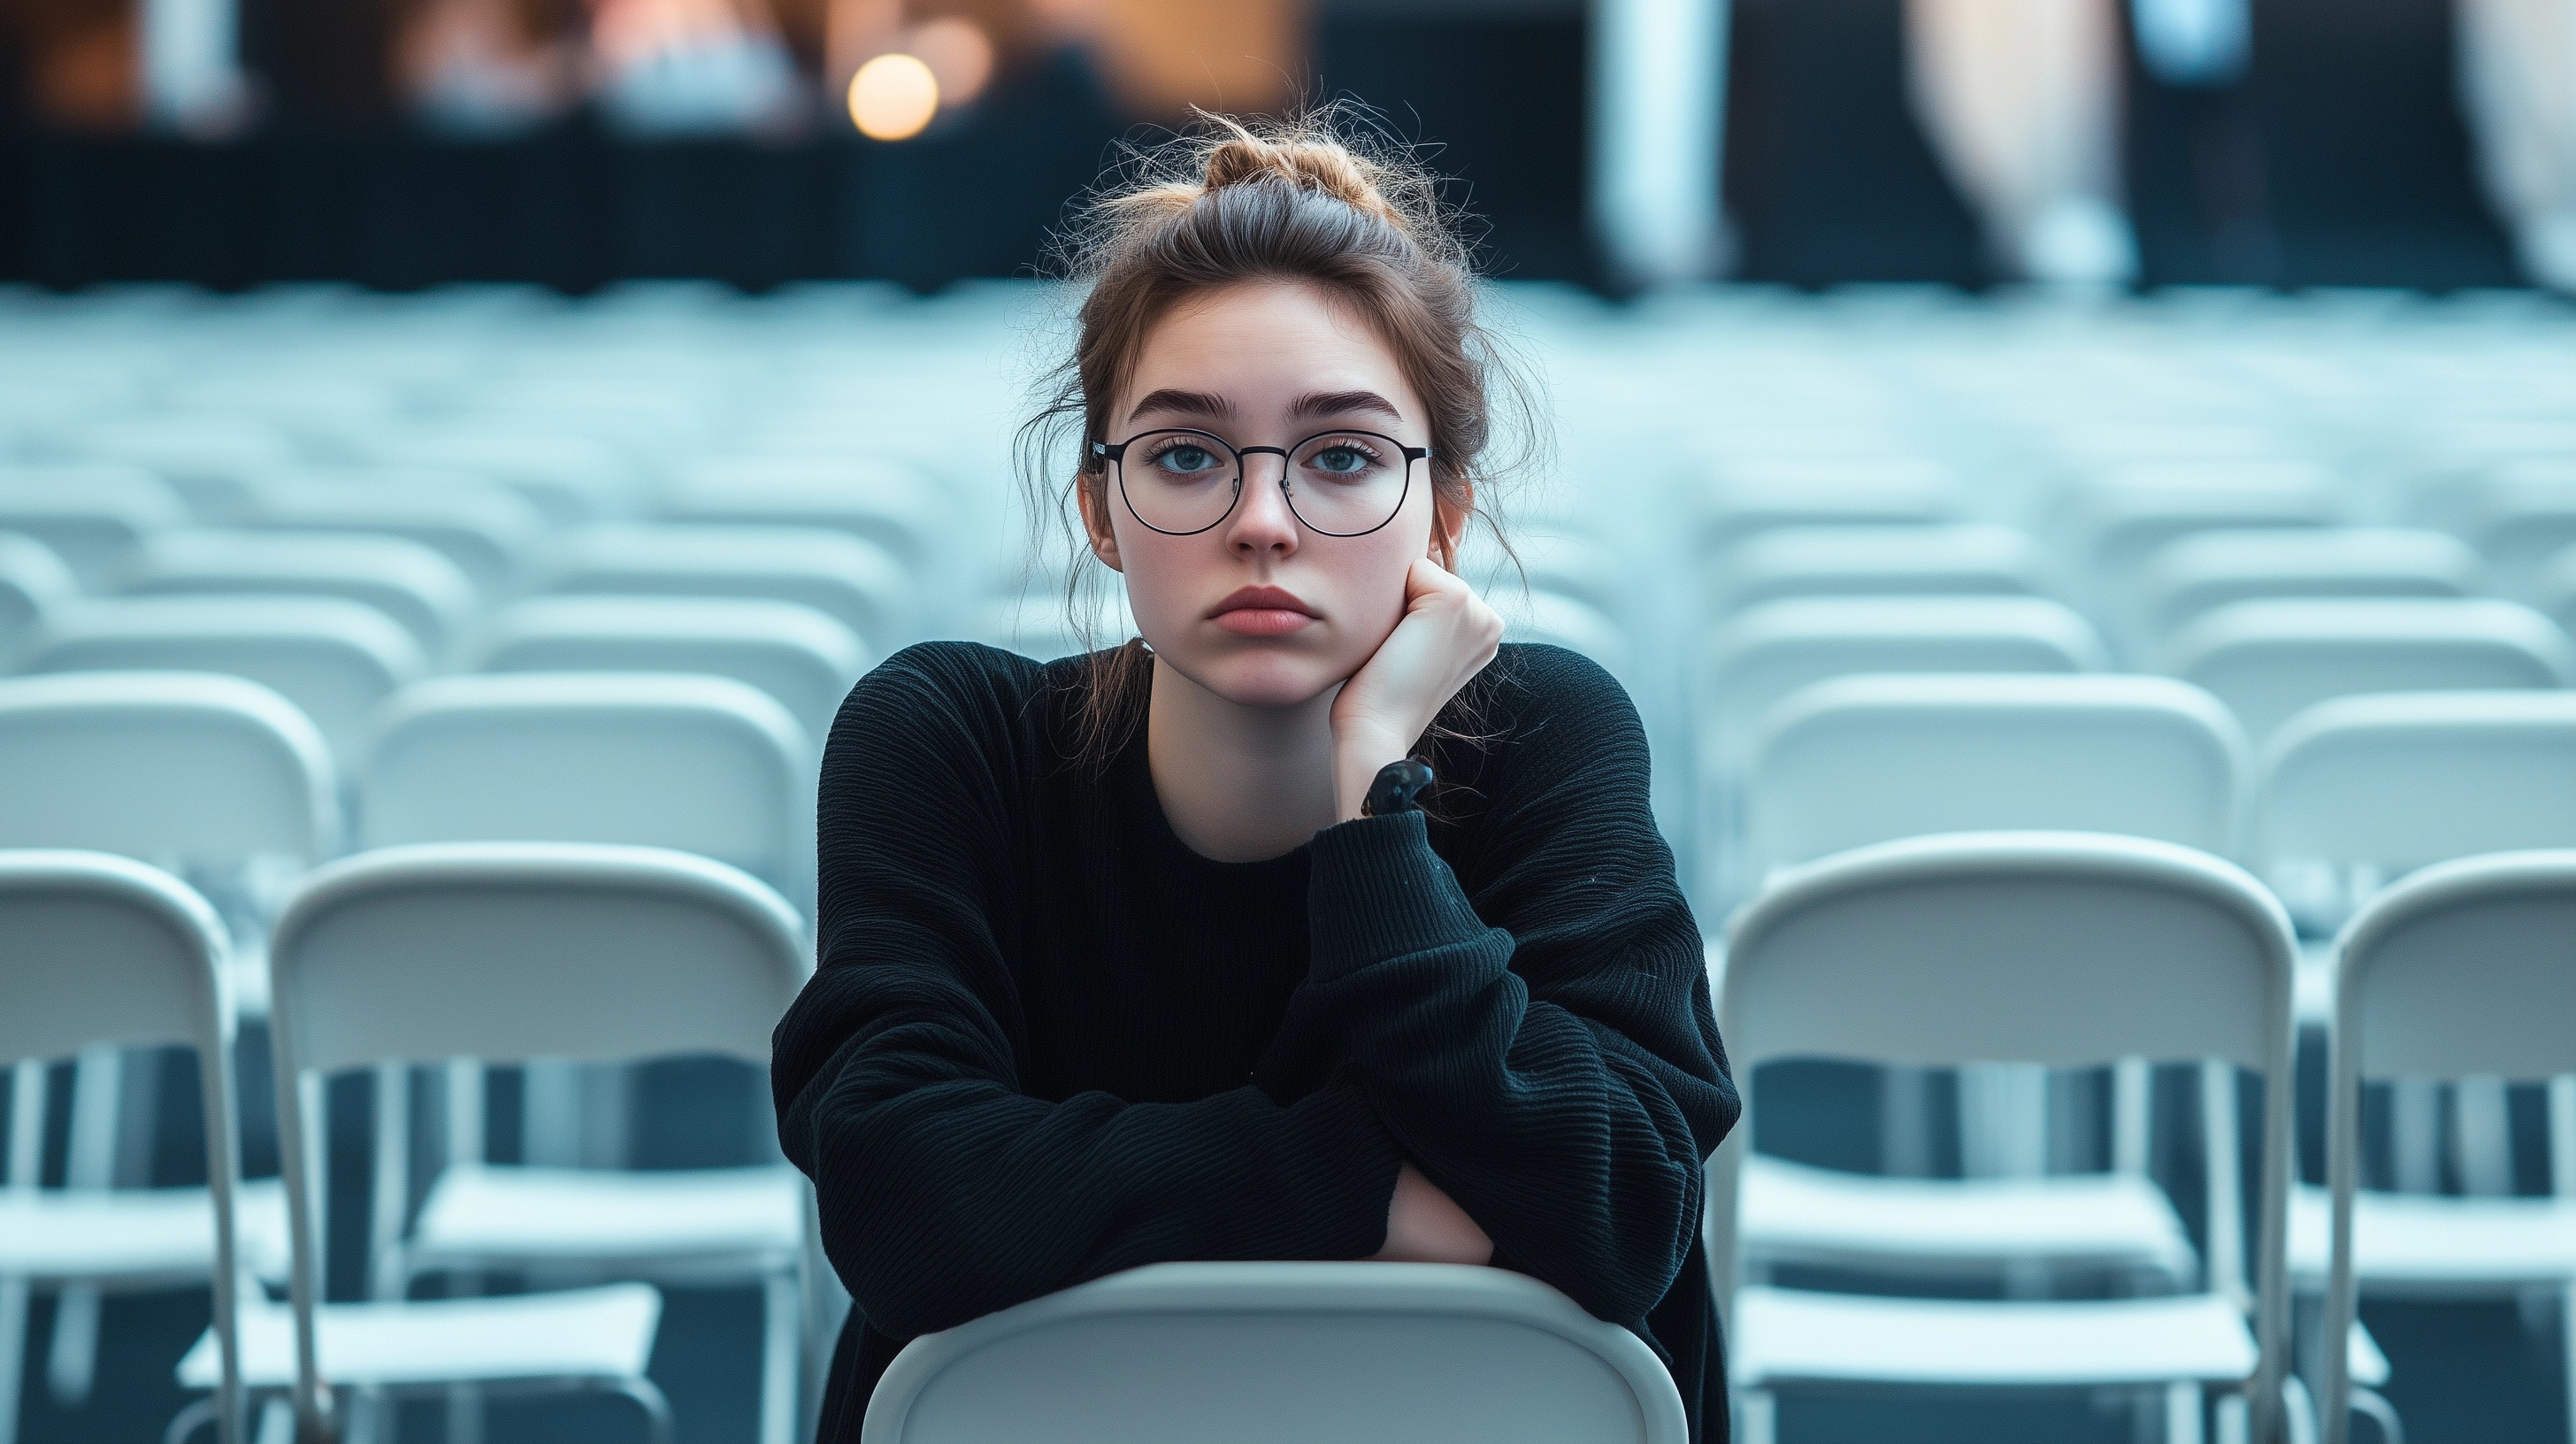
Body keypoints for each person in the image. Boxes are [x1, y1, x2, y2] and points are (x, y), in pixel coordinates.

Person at [770, 111, 1739, 1442]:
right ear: (1100, 509)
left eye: (1341, 457)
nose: (1264, 521)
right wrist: (1373, 1191)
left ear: (1441, 514)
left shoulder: (1544, 736)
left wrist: (1375, 812)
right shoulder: (949, 741)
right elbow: (904, 1201)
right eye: (1185, 455)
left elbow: (1626, 1208)